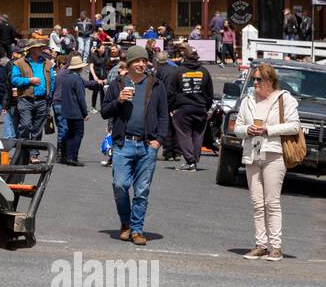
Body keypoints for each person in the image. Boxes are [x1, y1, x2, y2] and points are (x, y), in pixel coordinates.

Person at [100, 45, 169, 247]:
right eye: (136, 61)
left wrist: (159, 141)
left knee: (142, 190)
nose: (140, 64)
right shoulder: (117, 84)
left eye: (143, 61)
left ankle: (136, 229)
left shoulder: (156, 85)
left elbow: (164, 115)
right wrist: (118, 101)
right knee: (120, 185)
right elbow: (104, 112)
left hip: (147, 145)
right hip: (123, 143)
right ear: (128, 64)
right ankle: (125, 223)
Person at [233, 62, 300, 261]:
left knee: (272, 202)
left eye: (259, 79)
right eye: (254, 79)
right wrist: (247, 130)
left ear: (270, 81)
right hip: (252, 154)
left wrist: (268, 130)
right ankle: (261, 245)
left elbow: (295, 126)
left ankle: (276, 247)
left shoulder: (284, 99)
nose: (255, 83)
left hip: (274, 154)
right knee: (256, 202)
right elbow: (237, 127)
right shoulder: (248, 100)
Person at [170, 47, 214, 171]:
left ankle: (190, 161)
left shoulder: (178, 71)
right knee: (198, 134)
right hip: (200, 107)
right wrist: (207, 107)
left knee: (184, 134)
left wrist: (172, 108)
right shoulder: (204, 71)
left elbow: (171, 92)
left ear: (185, 57)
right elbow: (209, 93)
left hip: (183, 108)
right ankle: (193, 160)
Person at [11, 41, 53, 150]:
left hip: (42, 100)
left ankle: (34, 153)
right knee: (25, 125)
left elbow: (52, 80)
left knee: (37, 129)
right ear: (32, 49)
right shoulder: (19, 63)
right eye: (39, 47)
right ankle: (23, 150)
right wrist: (29, 80)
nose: (41, 49)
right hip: (26, 100)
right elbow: (14, 80)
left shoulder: (47, 63)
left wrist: (50, 96)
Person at [56, 53, 89, 165]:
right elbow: (80, 97)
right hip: (76, 111)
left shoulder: (67, 78)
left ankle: (68, 156)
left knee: (70, 133)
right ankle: (73, 156)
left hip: (67, 110)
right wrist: (85, 112)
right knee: (78, 134)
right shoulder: (77, 79)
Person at [0, 55, 15, 137]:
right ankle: (4, 112)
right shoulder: (8, 70)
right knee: (6, 104)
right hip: (7, 89)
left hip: (0, 88)